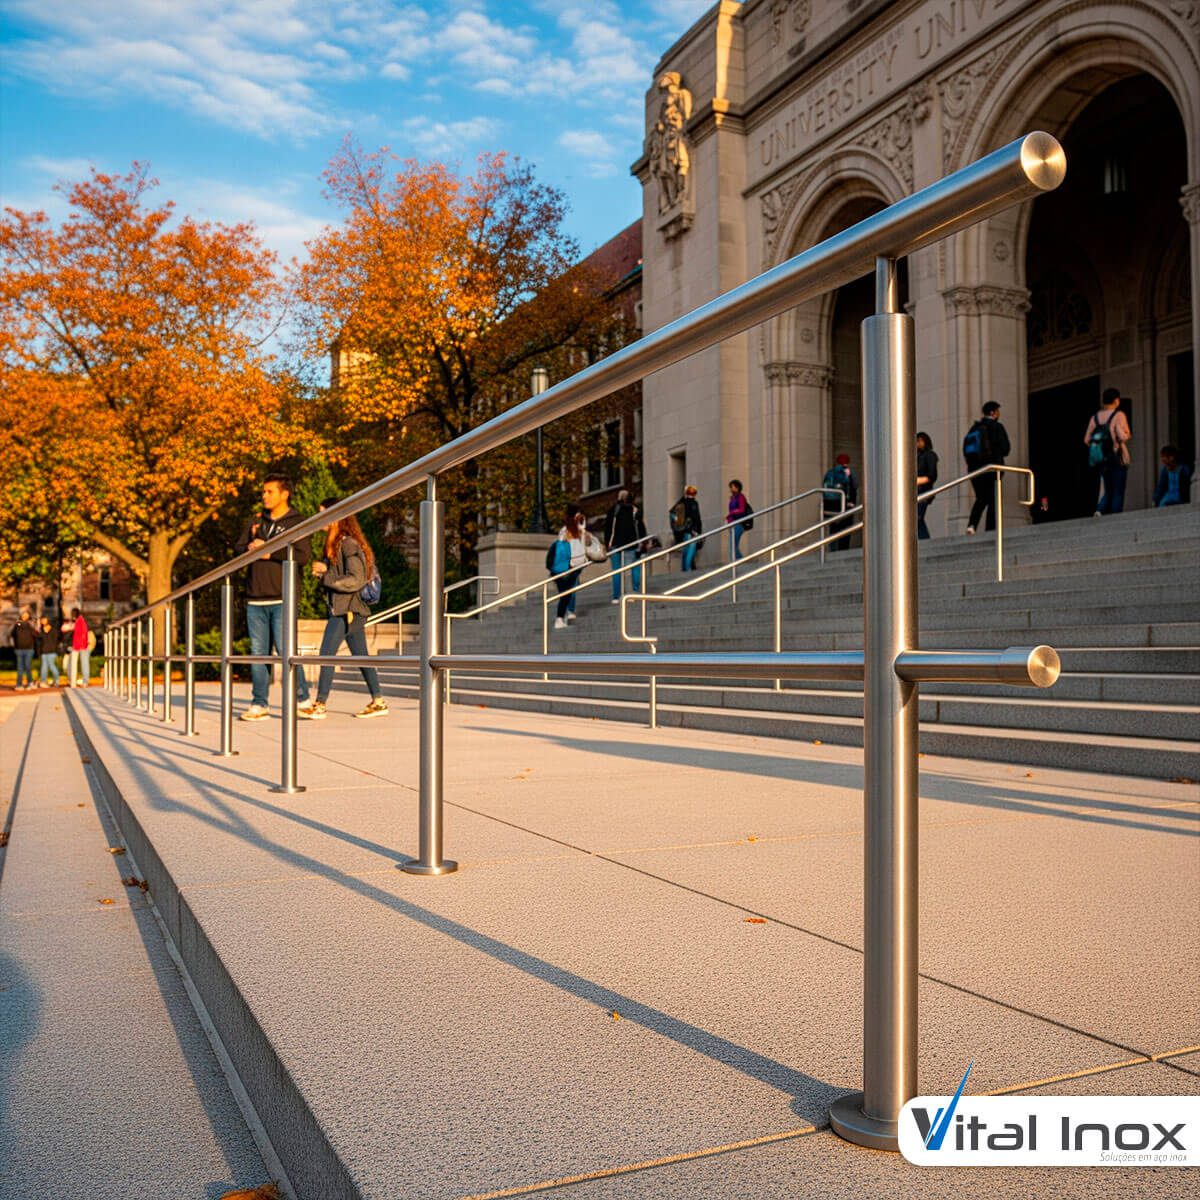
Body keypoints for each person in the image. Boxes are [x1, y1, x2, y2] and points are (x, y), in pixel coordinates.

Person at [299, 501, 388, 720]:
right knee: (361, 657)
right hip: (346, 609)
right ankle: (378, 701)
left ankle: (320, 705)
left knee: (326, 654)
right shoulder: (335, 544)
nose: (319, 518)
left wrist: (325, 575)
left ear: (336, 516)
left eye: (323, 514)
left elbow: (356, 579)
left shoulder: (347, 544)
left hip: (347, 610)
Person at [234, 474, 312, 721]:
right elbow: (236, 550)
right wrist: (249, 547)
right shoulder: (256, 522)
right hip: (255, 597)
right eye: (263, 492)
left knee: (286, 650)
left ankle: (303, 701)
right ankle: (259, 704)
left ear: (284, 493)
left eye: (269, 491)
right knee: (258, 653)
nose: (264, 496)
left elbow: (303, 555)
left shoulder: (297, 522)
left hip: (282, 597)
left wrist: (269, 552)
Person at [963, 401, 1011, 533]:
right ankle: (991, 530)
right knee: (993, 499)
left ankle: (972, 525)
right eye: (997, 411)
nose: (998, 414)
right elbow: (1006, 448)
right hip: (992, 469)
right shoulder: (996, 427)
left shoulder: (973, 429)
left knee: (981, 498)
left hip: (975, 470)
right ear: (993, 412)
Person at [1084, 388, 1132, 517]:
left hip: (1102, 459)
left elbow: (1087, 439)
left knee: (1108, 489)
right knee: (1118, 490)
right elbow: (1124, 436)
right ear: (1116, 400)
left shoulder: (1095, 418)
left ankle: (1100, 510)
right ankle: (1116, 518)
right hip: (1116, 456)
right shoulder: (1119, 415)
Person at [552, 509, 603, 628]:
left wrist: (583, 532)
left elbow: (589, 543)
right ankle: (567, 612)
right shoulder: (565, 531)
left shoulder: (582, 531)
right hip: (568, 563)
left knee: (572, 586)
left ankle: (567, 611)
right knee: (570, 587)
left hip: (577, 562)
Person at [603, 490, 647, 602]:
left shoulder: (614, 510)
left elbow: (607, 528)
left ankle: (617, 596)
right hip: (632, 543)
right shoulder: (635, 510)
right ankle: (633, 592)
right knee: (633, 568)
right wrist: (643, 541)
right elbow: (640, 527)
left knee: (616, 571)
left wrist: (607, 542)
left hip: (615, 544)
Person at [822, 455, 858, 551]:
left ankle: (833, 549)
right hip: (845, 504)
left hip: (832, 505)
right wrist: (851, 502)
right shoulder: (848, 473)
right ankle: (843, 548)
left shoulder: (830, 473)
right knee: (846, 528)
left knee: (833, 528)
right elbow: (853, 487)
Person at [671, 485, 703, 571]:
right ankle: (687, 569)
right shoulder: (693, 503)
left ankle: (684, 568)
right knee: (691, 550)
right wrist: (698, 531)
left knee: (686, 550)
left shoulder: (682, 502)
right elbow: (696, 518)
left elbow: (672, 512)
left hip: (684, 530)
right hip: (692, 530)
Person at [916, 432, 939, 540]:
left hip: (924, 490)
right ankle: (924, 538)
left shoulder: (930, 455)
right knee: (916, 517)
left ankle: (924, 539)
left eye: (920, 440)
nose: (918, 443)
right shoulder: (917, 456)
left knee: (917, 517)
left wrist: (919, 480)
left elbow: (932, 475)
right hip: (916, 491)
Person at [11, 608, 37, 690]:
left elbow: (35, 634)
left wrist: (32, 625)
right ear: (21, 615)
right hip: (19, 650)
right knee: (20, 668)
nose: (25, 616)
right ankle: (19, 685)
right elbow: (12, 634)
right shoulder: (17, 624)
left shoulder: (31, 624)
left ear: (29, 615)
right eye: (23, 614)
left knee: (27, 666)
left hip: (29, 649)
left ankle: (30, 683)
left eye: (26, 614)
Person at [726, 479, 752, 560]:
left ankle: (735, 562)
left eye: (732, 487)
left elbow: (741, 509)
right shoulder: (732, 498)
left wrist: (731, 513)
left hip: (738, 523)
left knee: (732, 545)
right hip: (732, 524)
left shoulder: (740, 497)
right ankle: (740, 561)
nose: (731, 489)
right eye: (730, 487)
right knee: (734, 545)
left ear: (737, 488)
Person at [69, 607, 91, 687]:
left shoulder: (81, 621)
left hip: (81, 646)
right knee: (74, 664)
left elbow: (84, 634)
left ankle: (84, 681)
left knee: (84, 664)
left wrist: (83, 645)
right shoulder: (78, 621)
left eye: (72, 613)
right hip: (77, 645)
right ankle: (73, 682)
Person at [38, 615, 60, 687]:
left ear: (47, 620)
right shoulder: (41, 630)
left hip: (52, 651)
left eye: (44, 619)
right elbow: (40, 641)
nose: (43, 621)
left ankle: (56, 681)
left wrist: (55, 650)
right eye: (42, 620)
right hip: (44, 651)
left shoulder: (53, 630)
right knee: (44, 667)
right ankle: (43, 682)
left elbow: (56, 641)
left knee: (51, 666)